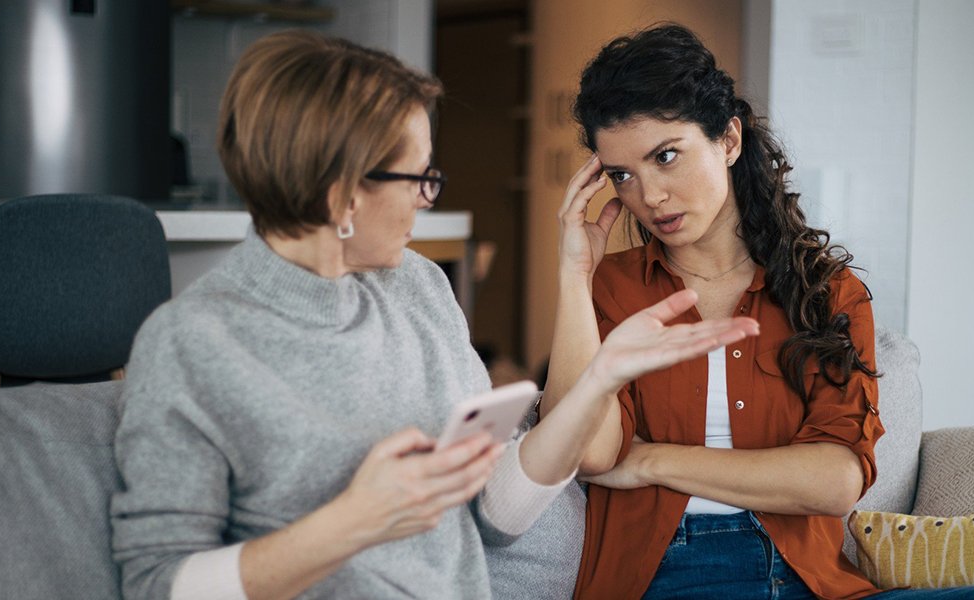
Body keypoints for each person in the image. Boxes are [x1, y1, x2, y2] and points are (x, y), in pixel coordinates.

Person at [109, 30, 759, 600]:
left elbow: (496, 516)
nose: (427, 199)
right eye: (418, 178)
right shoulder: (192, 342)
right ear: (343, 196)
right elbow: (156, 584)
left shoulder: (419, 288)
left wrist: (598, 382)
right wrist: (354, 521)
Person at [542, 23, 974, 600]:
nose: (649, 196)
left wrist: (650, 459)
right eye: (622, 175)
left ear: (728, 139)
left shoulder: (824, 291)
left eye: (666, 157)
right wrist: (574, 274)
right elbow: (590, 453)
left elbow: (834, 482)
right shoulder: (612, 290)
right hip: (668, 576)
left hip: (811, 582)